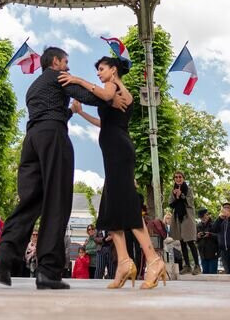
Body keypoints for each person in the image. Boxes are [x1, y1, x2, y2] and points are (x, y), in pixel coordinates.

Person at [0, 46, 126, 290]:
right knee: (57, 200)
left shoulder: (34, 87)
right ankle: (48, 272)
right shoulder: (58, 77)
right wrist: (110, 98)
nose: (68, 67)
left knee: (30, 200)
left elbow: (53, 112)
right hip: (54, 138)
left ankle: (3, 256)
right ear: (55, 62)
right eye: (66, 62)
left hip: (32, 139)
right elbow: (88, 96)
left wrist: (72, 112)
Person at [64, 55, 167, 290]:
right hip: (114, 152)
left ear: (113, 69)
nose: (99, 74)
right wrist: (80, 113)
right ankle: (123, 262)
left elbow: (106, 94)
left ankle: (154, 260)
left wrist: (77, 80)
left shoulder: (113, 87)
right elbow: (105, 123)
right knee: (110, 210)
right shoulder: (114, 92)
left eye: (101, 69)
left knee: (128, 206)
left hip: (119, 153)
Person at [168, 171, 201, 275]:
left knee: (190, 241)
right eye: (176, 177)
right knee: (182, 242)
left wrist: (181, 195)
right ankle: (187, 265)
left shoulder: (188, 189)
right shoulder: (172, 190)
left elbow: (190, 202)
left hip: (187, 217)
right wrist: (176, 197)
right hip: (178, 218)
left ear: (183, 178)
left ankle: (197, 266)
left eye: (180, 177)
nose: (178, 179)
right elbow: (171, 204)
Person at [196, 208, 219, 274]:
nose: (203, 218)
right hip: (203, 253)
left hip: (213, 252)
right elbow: (195, 240)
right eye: (201, 217)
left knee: (212, 273)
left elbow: (219, 236)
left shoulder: (214, 224)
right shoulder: (198, 226)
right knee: (205, 273)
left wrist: (210, 234)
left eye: (204, 216)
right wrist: (198, 236)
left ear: (207, 215)